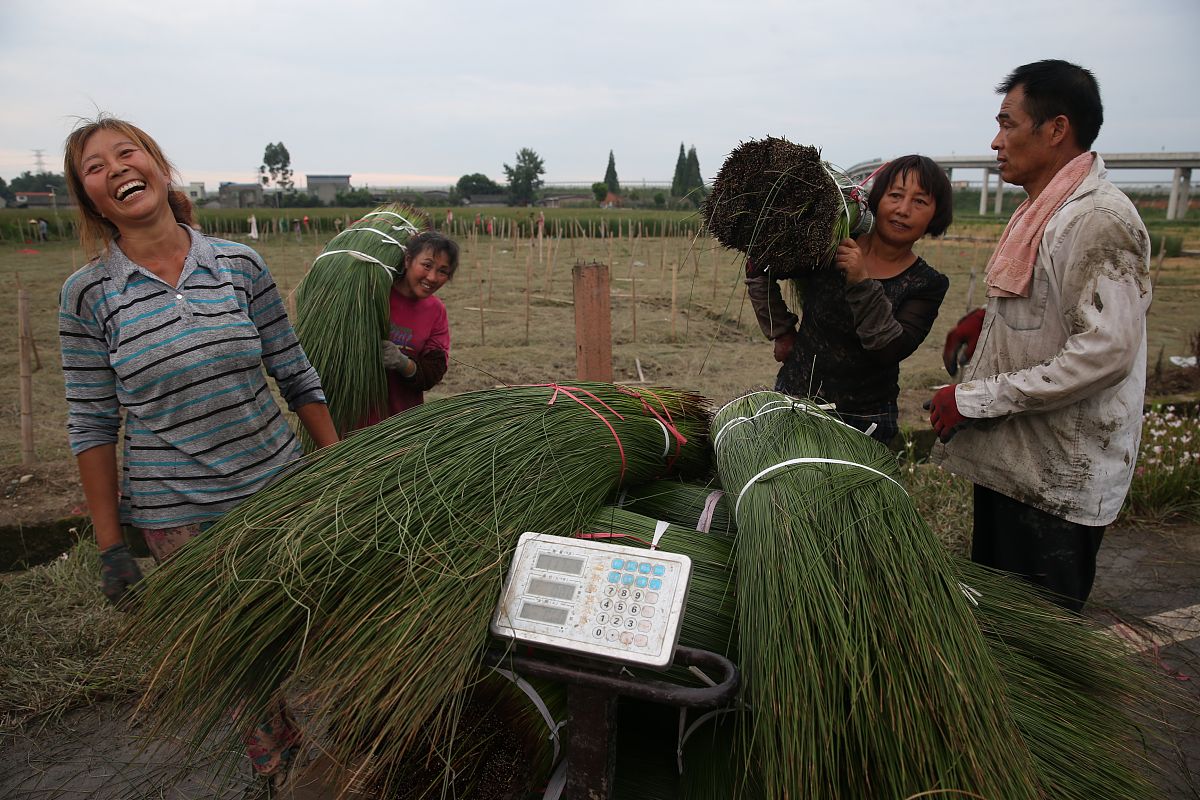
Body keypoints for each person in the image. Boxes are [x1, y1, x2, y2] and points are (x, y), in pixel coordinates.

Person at [58, 115, 339, 789]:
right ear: (90, 198)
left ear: (159, 165)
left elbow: (296, 373)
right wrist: (110, 549)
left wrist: (336, 466)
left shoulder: (239, 263)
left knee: (305, 633)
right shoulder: (88, 295)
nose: (116, 169)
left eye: (128, 153)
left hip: (278, 489)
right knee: (240, 658)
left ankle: (324, 753)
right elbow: (92, 425)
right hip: (180, 515)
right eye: (95, 167)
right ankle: (278, 774)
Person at [928, 60, 1152, 613]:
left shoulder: (1098, 219)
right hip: (1021, 467)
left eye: (1008, 123)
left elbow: (1107, 351)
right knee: (1001, 629)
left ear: (1055, 129)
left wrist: (974, 399)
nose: (996, 141)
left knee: (1036, 641)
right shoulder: (1043, 210)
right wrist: (992, 319)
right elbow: (1055, 306)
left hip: (1057, 482)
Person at [746, 155, 953, 443]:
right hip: (795, 401)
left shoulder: (928, 283)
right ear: (877, 200)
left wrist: (860, 281)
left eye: (920, 202)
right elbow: (759, 266)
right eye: (895, 195)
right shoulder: (833, 243)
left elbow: (889, 349)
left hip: (866, 420)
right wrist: (781, 331)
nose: (903, 210)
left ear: (936, 214)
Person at [364, 230, 457, 425]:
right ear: (408, 260)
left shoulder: (436, 311)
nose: (432, 277)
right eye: (427, 265)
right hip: (355, 419)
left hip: (403, 425)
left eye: (442, 271)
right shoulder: (373, 293)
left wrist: (401, 362)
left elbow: (434, 371)